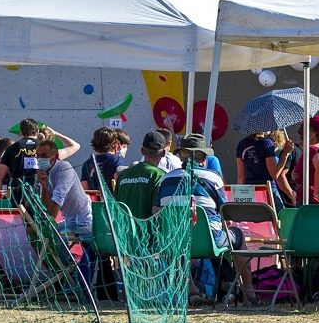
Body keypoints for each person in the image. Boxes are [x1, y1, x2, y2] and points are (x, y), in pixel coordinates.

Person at [156, 133, 258, 305]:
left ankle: (191, 289)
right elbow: (226, 213)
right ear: (203, 157)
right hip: (209, 240)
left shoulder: (166, 179)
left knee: (183, 241)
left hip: (175, 240)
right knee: (237, 235)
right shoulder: (213, 178)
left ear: (181, 155)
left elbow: (157, 212)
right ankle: (249, 293)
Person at [35, 140, 93, 239]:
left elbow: (52, 212)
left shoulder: (64, 168)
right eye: (38, 156)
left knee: (51, 237)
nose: (40, 159)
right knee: (41, 234)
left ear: (55, 156)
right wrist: (44, 187)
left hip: (83, 222)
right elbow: (47, 209)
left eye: (44, 156)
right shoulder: (43, 173)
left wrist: (46, 224)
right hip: (69, 220)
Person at [114, 131, 167, 220]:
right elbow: (158, 211)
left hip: (123, 231)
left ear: (142, 151)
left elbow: (115, 206)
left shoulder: (123, 174)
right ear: (164, 153)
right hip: (147, 232)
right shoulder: (160, 176)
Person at [0, 118, 41, 201]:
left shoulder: (12, 148)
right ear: (37, 131)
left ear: (21, 132)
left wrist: (1, 201)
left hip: (17, 196)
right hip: (40, 196)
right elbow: (71, 148)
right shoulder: (45, 147)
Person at [235, 130, 285, 211]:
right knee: (279, 217)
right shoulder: (267, 143)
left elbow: (241, 177)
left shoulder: (242, 144)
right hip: (267, 190)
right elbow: (274, 174)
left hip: (249, 191)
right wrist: (285, 155)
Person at [290, 116, 319, 205]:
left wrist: (293, 173)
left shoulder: (311, 150)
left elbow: (297, 175)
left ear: (314, 133)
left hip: (308, 195)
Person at [80, 127, 123, 193]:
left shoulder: (87, 164)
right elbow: (120, 184)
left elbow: (85, 189)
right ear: (115, 144)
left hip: (95, 202)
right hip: (112, 201)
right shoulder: (116, 160)